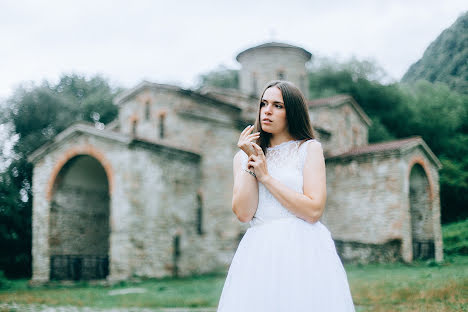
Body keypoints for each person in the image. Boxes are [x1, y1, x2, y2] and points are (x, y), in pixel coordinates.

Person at [216, 80, 356, 311]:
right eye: (263, 104)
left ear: (292, 112)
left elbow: (313, 211)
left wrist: (266, 177)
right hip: (259, 251)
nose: (267, 111)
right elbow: (243, 213)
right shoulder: (242, 157)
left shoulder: (308, 149)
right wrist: (250, 163)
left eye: (277, 105)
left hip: (303, 248)